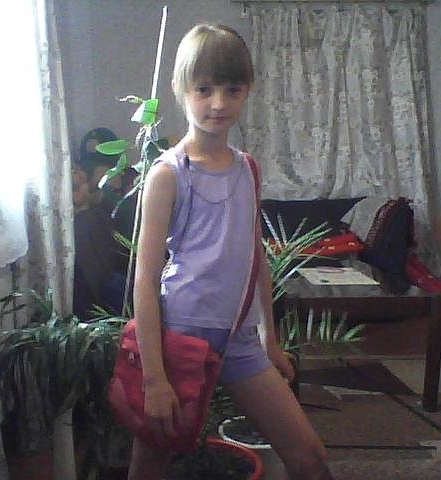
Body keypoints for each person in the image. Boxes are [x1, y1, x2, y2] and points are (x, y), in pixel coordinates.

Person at [129, 23, 335, 479]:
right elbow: (145, 279)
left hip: (239, 341)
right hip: (182, 339)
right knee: (151, 464)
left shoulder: (248, 169)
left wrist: (269, 339)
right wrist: (154, 377)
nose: (218, 103)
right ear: (181, 89)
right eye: (204, 89)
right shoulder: (168, 174)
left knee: (309, 456)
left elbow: (255, 258)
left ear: (247, 91)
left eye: (232, 89)